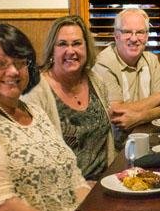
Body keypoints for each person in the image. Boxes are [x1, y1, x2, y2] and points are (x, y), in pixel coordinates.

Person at [0, 22, 92, 211]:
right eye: (0, 63)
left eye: (20, 62)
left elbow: (73, 177)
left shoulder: (35, 111)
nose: (13, 71)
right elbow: (3, 207)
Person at [23, 16, 115, 181]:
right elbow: (34, 159)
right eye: (62, 44)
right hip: (63, 191)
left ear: (86, 48)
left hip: (104, 184)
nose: (70, 51)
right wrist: (80, 187)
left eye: (77, 43)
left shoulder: (96, 81)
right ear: (52, 49)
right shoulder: (36, 92)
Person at [94, 8, 160, 148]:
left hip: (152, 142)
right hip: (117, 149)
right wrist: (158, 98)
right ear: (116, 36)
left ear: (147, 36)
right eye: (127, 32)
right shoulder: (103, 63)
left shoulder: (152, 60)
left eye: (140, 32)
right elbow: (117, 112)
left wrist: (139, 118)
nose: (134, 38)